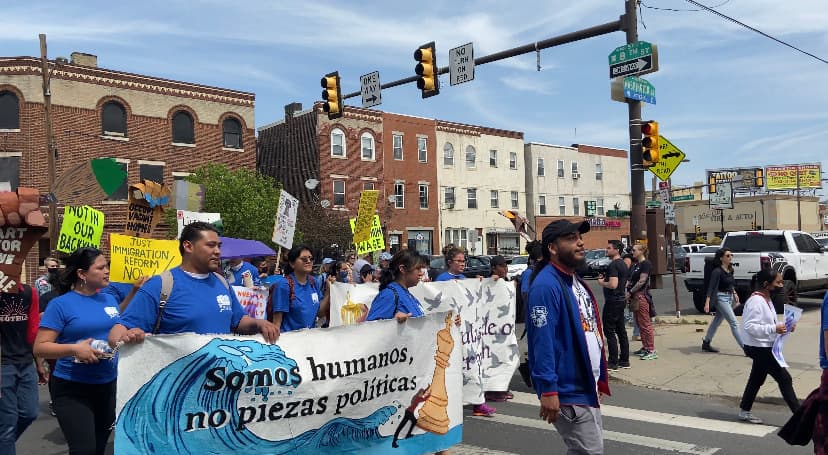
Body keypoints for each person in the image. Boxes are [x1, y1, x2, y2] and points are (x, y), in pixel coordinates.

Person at [109, 222, 279, 345]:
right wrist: (127, 336)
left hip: (220, 386)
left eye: (219, 246)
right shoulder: (160, 285)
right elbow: (116, 334)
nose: (218, 251)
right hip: (178, 389)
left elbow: (238, 320)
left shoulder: (222, 283)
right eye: (211, 245)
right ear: (188, 247)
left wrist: (259, 323)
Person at [527, 219, 609, 454]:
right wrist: (549, 390)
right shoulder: (545, 286)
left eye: (579, 237)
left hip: (585, 385)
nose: (581, 243)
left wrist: (598, 376)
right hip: (567, 390)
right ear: (552, 248)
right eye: (571, 238)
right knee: (590, 452)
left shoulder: (576, 281)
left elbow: (589, 330)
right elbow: (542, 342)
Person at [34, 247, 121, 455]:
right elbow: (40, 347)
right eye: (100, 267)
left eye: (107, 266)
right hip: (72, 389)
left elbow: (116, 327)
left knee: (100, 447)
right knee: (84, 450)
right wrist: (75, 349)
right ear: (82, 274)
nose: (107, 271)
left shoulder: (109, 299)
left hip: (107, 385)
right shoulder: (60, 305)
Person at [434, 246, 495, 417]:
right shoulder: (442, 279)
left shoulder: (464, 278)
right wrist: (451, 317)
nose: (463, 264)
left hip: (468, 332)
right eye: (459, 261)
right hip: (451, 330)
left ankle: (477, 402)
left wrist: (480, 283)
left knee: (473, 365)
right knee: (453, 368)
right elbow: (438, 303)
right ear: (449, 262)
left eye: (464, 261)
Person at [737, 268, 799, 424]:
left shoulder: (767, 299)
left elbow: (767, 323)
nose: (781, 285)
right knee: (784, 378)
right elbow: (750, 327)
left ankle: (745, 410)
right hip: (758, 347)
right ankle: (800, 417)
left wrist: (783, 326)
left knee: (757, 378)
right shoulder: (756, 301)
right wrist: (774, 329)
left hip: (763, 345)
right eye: (777, 282)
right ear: (766, 284)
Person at [0, 283, 42, 455]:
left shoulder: (29, 292)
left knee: (30, 412)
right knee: (7, 424)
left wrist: (39, 363)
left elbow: (33, 331)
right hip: (3, 365)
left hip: (25, 362)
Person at [270, 245, 331, 332]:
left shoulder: (314, 282)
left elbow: (320, 313)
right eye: (304, 259)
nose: (309, 261)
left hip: (309, 340)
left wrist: (328, 292)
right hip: (290, 341)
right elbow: (277, 323)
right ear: (292, 263)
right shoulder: (283, 285)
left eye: (311, 258)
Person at [484, 255, 514, 403]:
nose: (505, 269)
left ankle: (501, 387)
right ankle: (491, 390)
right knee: (491, 359)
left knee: (505, 357)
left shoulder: (506, 283)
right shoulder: (487, 282)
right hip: (491, 329)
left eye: (506, 266)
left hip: (504, 328)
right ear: (494, 268)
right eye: (502, 266)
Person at [702, 248, 743, 353]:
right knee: (734, 323)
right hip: (720, 298)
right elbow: (711, 287)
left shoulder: (730, 270)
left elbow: (730, 284)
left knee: (716, 322)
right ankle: (746, 348)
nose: (730, 257)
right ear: (721, 258)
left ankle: (706, 342)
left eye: (731, 255)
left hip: (729, 297)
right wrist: (707, 302)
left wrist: (734, 293)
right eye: (728, 256)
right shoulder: (717, 271)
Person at [598, 240, 630, 370]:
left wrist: (601, 282)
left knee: (609, 331)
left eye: (609, 248)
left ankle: (612, 362)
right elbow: (625, 283)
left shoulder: (614, 265)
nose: (606, 250)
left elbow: (613, 284)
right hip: (621, 299)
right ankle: (624, 360)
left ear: (617, 250)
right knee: (621, 330)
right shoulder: (623, 264)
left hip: (613, 301)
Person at [627, 244, 657, 360]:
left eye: (634, 250)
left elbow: (642, 281)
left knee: (645, 324)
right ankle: (645, 347)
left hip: (641, 296)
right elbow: (631, 279)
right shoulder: (636, 265)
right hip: (634, 297)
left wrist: (630, 292)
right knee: (639, 323)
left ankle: (651, 349)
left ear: (641, 251)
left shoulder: (646, 264)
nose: (632, 252)